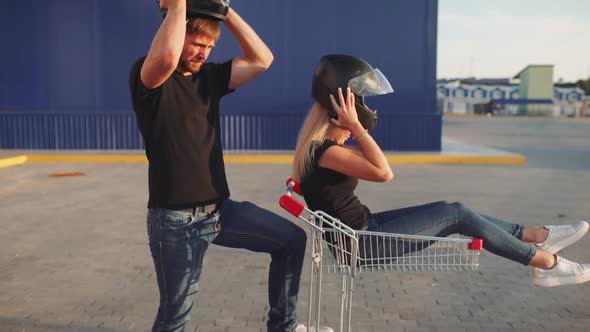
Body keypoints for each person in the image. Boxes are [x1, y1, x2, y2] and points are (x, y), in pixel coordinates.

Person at [292, 54, 590, 288]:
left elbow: (374, 160)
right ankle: (547, 264)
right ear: (345, 103)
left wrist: (354, 129)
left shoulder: (323, 150)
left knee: (449, 210)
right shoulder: (328, 153)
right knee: (455, 213)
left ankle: (536, 234)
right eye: (362, 99)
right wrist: (356, 126)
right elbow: (384, 172)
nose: (367, 106)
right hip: (362, 243)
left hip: (364, 231)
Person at [129, 1, 332, 331]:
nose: (204, 53)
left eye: (210, 46)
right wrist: (178, 4)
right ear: (178, 35)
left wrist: (224, 9)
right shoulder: (149, 78)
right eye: (197, 44)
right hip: (175, 222)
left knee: (291, 240)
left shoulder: (209, 78)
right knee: (175, 317)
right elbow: (166, 57)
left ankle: (283, 327)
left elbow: (262, 60)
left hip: (220, 212)